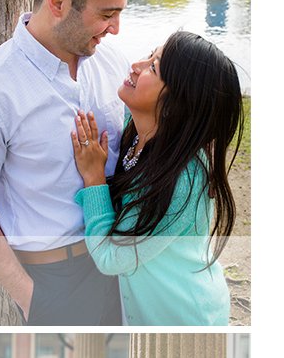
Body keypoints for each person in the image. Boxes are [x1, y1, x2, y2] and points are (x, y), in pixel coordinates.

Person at [0, 0, 131, 325]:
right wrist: (31, 297)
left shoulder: (114, 64)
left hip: (125, 266)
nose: (115, 29)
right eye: (106, 14)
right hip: (57, 282)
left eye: (120, 13)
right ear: (58, 0)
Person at [69, 31, 241, 325]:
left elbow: (112, 258)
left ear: (176, 103)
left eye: (153, 67)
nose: (136, 65)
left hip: (185, 318)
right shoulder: (138, 130)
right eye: (149, 55)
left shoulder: (184, 179)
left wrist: (94, 178)